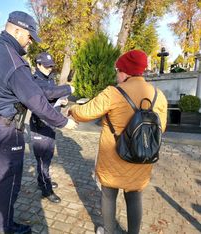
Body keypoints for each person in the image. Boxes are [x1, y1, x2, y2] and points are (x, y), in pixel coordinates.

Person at [0, 11, 77, 234]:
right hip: (7, 128)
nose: (30, 42)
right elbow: (36, 101)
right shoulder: (14, 62)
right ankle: (6, 227)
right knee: (10, 179)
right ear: (17, 30)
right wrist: (62, 122)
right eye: (29, 36)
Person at [68, 50, 168, 234]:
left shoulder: (113, 93)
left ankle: (108, 231)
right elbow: (162, 127)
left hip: (114, 155)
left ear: (125, 72)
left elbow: (85, 113)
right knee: (134, 196)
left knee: (108, 194)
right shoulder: (158, 95)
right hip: (142, 155)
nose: (116, 74)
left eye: (118, 70)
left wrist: (72, 109)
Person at [30, 52, 74, 203]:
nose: (50, 69)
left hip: (50, 123)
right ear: (38, 65)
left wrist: (61, 101)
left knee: (47, 157)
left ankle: (42, 181)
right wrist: (68, 89)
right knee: (43, 158)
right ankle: (46, 189)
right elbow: (48, 93)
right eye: (47, 66)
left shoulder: (48, 79)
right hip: (40, 124)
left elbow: (51, 97)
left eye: (51, 66)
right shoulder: (34, 80)